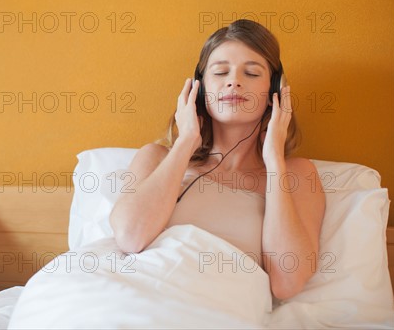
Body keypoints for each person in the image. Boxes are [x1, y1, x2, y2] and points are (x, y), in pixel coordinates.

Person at [109, 19, 326, 301]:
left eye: (251, 73)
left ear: (274, 92)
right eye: (220, 71)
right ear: (199, 89)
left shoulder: (297, 174)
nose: (233, 81)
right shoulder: (156, 158)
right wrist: (186, 141)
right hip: (135, 298)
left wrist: (274, 161)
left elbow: (287, 282)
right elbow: (130, 236)